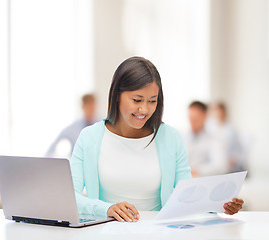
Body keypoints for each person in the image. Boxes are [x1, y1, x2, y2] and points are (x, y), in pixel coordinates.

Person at [70, 57, 244, 222]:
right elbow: (69, 196)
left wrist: (220, 205)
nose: (144, 109)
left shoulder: (171, 138)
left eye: (152, 101)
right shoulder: (89, 138)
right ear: (117, 95)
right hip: (105, 233)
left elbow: (190, 195)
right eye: (137, 100)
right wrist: (106, 209)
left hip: (158, 232)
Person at [184, 101, 228, 177]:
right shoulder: (183, 137)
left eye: (195, 119)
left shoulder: (214, 139)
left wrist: (197, 171)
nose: (192, 123)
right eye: (191, 119)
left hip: (202, 179)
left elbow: (221, 166)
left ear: (205, 116)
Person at [46, 94, 98, 158]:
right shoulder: (72, 128)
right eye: (88, 107)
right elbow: (51, 149)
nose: (91, 110)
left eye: (93, 107)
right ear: (82, 107)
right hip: (77, 164)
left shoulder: (103, 125)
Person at [206, 102, 245, 172]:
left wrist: (233, 160)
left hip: (228, 164)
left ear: (224, 113)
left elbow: (239, 151)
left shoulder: (231, 130)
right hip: (214, 164)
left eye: (220, 112)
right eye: (216, 112)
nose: (218, 114)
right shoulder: (210, 128)